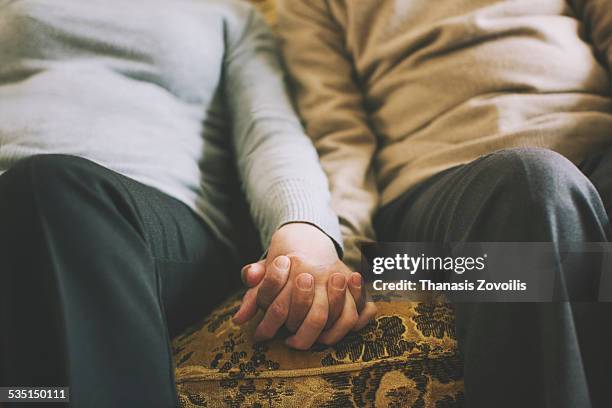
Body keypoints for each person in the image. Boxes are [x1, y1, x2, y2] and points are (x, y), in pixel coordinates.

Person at [0, 0, 375, 406]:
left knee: (54, 188)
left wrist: (304, 231)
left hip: (152, 220)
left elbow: (268, 130)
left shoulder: (231, 16)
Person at [242, 0, 612, 407]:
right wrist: (340, 250)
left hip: (595, 152)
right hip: (440, 199)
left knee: (549, 223)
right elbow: (338, 137)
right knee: (535, 187)